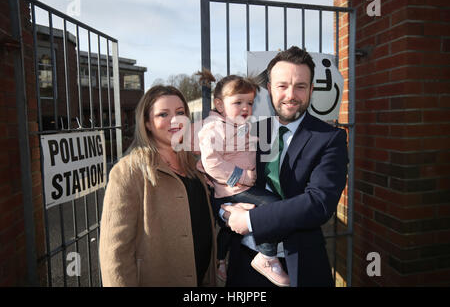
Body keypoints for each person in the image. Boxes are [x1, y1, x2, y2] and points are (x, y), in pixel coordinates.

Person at [222, 46, 349, 287]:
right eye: (282, 86)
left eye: (300, 86)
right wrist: (225, 213)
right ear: (269, 89)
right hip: (247, 264)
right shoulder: (249, 133)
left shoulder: (330, 138)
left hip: (300, 265)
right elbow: (222, 182)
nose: (291, 95)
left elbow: (319, 203)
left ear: (311, 89)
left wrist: (250, 220)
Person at [99, 85, 216, 286]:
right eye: (163, 114)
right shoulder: (128, 172)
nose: (175, 120)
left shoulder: (197, 164)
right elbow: (115, 253)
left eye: (180, 113)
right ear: (147, 124)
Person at [195, 71, 289, 287]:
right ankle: (267, 257)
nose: (246, 108)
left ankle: (223, 259)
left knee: (247, 222)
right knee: (275, 207)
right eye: (238, 102)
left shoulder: (236, 125)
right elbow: (212, 163)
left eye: (250, 102)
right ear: (220, 105)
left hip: (236, 189)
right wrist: (244, 176)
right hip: (234, 189)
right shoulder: (215, 127)